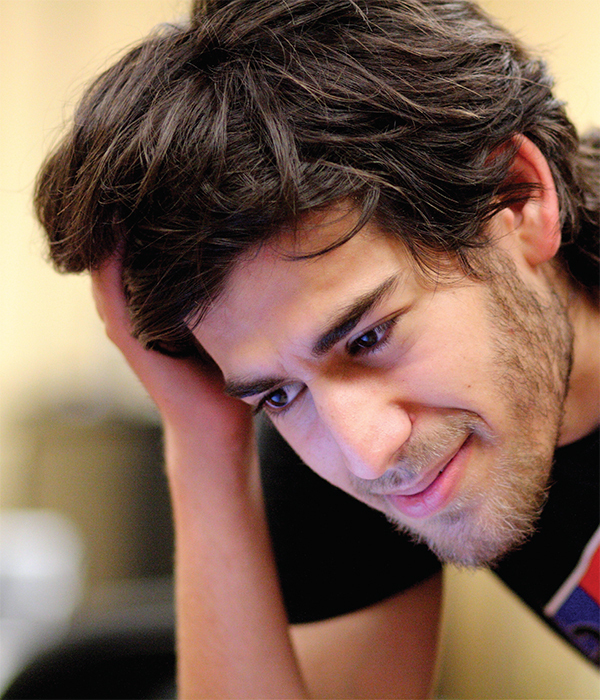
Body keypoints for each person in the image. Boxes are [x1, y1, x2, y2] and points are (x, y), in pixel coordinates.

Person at [34, 0, 599, 696]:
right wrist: (204, 441)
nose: (366, 453)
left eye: (369, 337)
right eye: (276, 394)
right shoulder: (340, 432)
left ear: (517, 198)